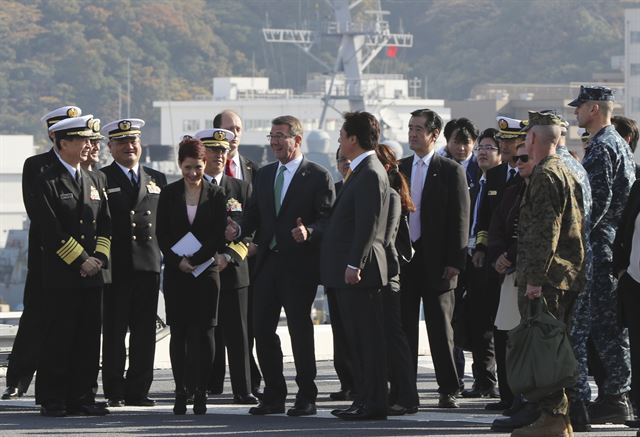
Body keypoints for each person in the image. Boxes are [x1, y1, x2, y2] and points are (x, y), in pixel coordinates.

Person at [226, 115, 334, 417]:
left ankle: (306, 395)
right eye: (271, 136)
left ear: (296, 140)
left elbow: (327, 219)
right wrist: (239, 230)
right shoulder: (264, 175)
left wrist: (309, 231)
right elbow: (255, 214)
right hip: (267, 263)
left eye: (280, 136)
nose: (274, 142)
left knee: (300, 329)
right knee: (262, 329)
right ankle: (274, 393)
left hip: (299, 265)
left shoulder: (317, 175)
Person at [511, 111, 586, 437]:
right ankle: (559, 418)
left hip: (547, 279)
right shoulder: (566, 170)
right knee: (555, 347)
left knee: (544, 350)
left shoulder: (545, 176)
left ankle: (553, 418)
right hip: (564, 275)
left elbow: (545, 232)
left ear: (532, 139)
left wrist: (533, 281)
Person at [3, 106, 83, 401]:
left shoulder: (84, 165)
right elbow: (40, 213)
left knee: (73, 323)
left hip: (80, 260)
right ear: (54, 134)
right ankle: (18, 379)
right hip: (46, 255)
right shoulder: (37, 166)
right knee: (35, 319)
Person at [34, 114, 111, 417]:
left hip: (93, 273)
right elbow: (50, 227)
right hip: (63, 272)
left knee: (88, 337)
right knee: (60, 335)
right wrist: (82, 260)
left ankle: (83, 396)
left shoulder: (94, 178)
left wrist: (99, 259)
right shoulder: (47, 179)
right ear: (63, 143)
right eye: (80, 140)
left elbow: (105, 224)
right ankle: (54, 397)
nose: (87, 145)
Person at [571, 85, 635, 423]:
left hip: (597, 248)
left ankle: (597, 397)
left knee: (586, 327)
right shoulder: (619, 145)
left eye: (580, 107)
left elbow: (594, 205)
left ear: (594, 108)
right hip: (612, 248)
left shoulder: (601, 148)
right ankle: (617, 395)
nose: (576, 113)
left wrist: (574, 241)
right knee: (610, 330)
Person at [320, 111, 390, 420]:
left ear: (353, 139)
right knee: (356, 340)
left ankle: (373, 402)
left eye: (341, 134)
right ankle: (363, 398)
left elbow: (367, 225)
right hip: (348, 272)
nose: (338, 139)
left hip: (359, 274)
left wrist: (354, 263)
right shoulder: (362, 171)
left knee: (366, 341)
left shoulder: (371, 172)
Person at [399, 108, 470, 409]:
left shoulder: (450, 170)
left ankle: (448, 388)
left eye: (419, 129)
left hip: (439, 262)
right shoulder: (399, 169)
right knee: (404, 328)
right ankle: (404, 387)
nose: (413, 133)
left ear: (433, 134)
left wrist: (456, 261)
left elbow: (460, 219)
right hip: (405, 260)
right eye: (411, 127)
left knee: (441, 328)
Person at [100, 118, 167, 408]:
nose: (130, 147)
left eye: (134, 141)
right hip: (117, 266)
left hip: (148, 265)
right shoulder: (101, 179)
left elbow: (165, 224)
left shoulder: (157, 179)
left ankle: (139, 389)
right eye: (123, 142)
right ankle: (114, 389)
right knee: (115, 332)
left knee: (144, 333)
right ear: (111, 147)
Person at [156, 137, 226, 415]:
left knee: (205, 333)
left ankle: (200, 390)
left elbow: (217, 233)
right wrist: (178, 261)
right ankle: (180, 389)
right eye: (187, 168)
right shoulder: (169, 193)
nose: (193, 173)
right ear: (179, 166)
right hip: (177, 273)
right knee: (181, 333)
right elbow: (162, 234)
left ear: (205, 164)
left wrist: (196, 260)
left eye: (197, 167)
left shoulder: (216, 194)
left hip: (206, 271)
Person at [196, 128, 257, 405]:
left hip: (234, 270)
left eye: (222, 150)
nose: (219, 155)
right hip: (203, 269)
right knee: (205, 331)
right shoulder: (193, 187)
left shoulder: (240, 188)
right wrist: (208, 258)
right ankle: (205, 385)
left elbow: (252, 231)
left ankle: (243, 389)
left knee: (239, 334)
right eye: (213, 149)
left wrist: (229, 256)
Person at [475, 116, 526, 413]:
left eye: (509, 141)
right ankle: (506, 395)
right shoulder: (493, 177)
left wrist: (509, 254)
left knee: (516, 332)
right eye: (503, 141)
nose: (505, 146)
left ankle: (519, 395)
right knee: (497, 328)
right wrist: (485, 249)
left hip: (517, 264)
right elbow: (486, 220)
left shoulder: (527, 175)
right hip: (495, 264)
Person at [212, 109, 262, 398]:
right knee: (214, 327)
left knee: (245, 328)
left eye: (238, 129)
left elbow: (259, 216)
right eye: (229, 129)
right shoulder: (202, 176)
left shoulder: (252, 170)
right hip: (211, 261)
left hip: (247, 259)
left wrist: (249, 246)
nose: (234, 135)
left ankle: (247, 383)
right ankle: (212, 381)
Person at [376, 142, 420, 416]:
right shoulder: (388, 192)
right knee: (392, 336)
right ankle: (398, 393)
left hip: (389, 274)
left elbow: (388, 240)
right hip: (389, 273)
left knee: (394, 336)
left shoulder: (390, 195)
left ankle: (406, 395)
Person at [459, 128, 501, 400]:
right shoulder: (474, 179)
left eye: (489, 148)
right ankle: (482, 378)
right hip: (472, 257)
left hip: (494, 260)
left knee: (492, 324)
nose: (482, 152)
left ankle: (491, 381)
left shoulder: (504, 180)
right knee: (475, 321)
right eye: (480, 148)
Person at [326, 146, 355, 401]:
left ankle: (361, 382)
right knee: (339, 330)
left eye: (349, 159)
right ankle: (346, 381)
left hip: (357, 270)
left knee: (356, 330)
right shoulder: (332, 190)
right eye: (341, 160)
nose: (346, 164)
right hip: (334, 271)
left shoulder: (364, 186)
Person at [613, 177, 640, 428]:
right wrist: (621, 270)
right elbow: (624, 227)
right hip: (634, 279)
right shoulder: (639, 185)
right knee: (637, 346)